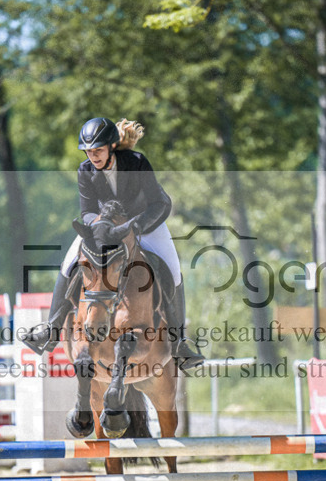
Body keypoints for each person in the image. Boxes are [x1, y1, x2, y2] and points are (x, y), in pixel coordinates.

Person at [22, 117, 205, 368]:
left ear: (111, 147)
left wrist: (136, 226)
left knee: (173, 271)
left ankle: (180, 343)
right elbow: (86, 211)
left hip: (146, 224)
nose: (93, 156)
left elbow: (159, 203)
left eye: (98, 150)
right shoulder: (85, 170)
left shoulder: (136, 162)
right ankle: (51, 329)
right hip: (106, 228)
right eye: (89, 151)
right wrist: (101, 226)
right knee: (68, 263)